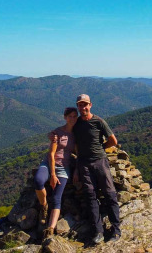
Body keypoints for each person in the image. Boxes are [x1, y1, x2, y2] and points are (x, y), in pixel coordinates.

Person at [52, 94, 121, 244]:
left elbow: (113, 141)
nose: (83, 107)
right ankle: (99, 232)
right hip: (84, 164)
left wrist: (100, 148)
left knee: (109, 194)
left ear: (90, 105)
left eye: (85, 105)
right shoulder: (76, 125)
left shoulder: (99, 121)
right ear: (78, 107)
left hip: (100, 162)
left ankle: (116, 230)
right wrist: (53, 135)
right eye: (80, 105)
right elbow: (66, 134)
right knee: (90, 197)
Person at [34, 107, 78, 239]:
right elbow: (51, 154)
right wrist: (53, 175)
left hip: (64, 168)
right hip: (49, 164)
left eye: (75, 116)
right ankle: (44, 206)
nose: (72, 119)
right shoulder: (57, 133)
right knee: (38, 181)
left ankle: (51, 229)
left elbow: (78, 153)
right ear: (65, 117)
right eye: (70, 116)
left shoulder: (77, 135)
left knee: (57, 198)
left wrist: (76, 170)